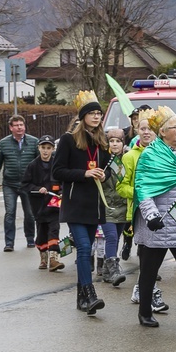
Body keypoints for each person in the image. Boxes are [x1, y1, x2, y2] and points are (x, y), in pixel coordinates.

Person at [133, 106, 176, 329]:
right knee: (149, 271)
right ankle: (144, 311)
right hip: (159, 223)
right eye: (175, 126)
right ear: (162, 132)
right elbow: (142, 187)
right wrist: (151, 216)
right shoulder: (150, 155)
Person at [52, 90, 110, 315]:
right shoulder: (68, 139)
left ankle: (82, 300)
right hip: (75, 204)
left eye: (99, 113)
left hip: (94, 205)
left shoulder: (101, 142)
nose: (96, 117)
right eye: (92, 113)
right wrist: (83, 174)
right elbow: (58, 171)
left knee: (88, 249)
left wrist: (103, 175)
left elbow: (103, 169)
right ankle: (89, 293)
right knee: (84, 248)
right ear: (83, 115)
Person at [115, 109, 167, 310]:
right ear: (136, 130)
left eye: (149, 129)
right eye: (142, 129)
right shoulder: (129, 157)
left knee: (152, 256)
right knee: (146, 255)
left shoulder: (164, 153)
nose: (146, 132)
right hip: (138, 213)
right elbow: (121, 186)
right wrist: (141, 194)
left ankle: (140, 288)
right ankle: (151, 293)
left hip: (160, 213)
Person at [0, 115, 39, 251]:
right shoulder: (3, 143)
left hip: (28, 184)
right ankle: (9, 243)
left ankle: (30, 238)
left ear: (24, 126)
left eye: (21, 125)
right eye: (16, 125)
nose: (19, 127)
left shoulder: (34, 142)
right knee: (10, 213)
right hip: (10, 184)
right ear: (11, 128)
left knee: (29, 213)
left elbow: (40, 163)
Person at [21, 135, 64, 272]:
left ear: (53, 149)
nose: (46, 151)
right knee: (41, 233)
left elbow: (63, 181)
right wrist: (37, 189)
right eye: (43, 148)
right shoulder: (32, 166)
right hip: (39, 207)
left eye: (49, 148)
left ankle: (54, 258)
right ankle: (43, 257)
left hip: (54, 205)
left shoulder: (56, 165)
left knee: (54, 229)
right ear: (39, 148)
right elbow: (25, 185)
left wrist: (62, 191)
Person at [100, 128, 128, 287]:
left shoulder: (126, 160)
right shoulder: (104, 159)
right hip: (106, 205)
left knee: (116, 238)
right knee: (110, 236)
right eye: (112, 141)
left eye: (118, 141)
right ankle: (114, 270)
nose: (115, 144)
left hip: (122, 205)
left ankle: (105, 271)